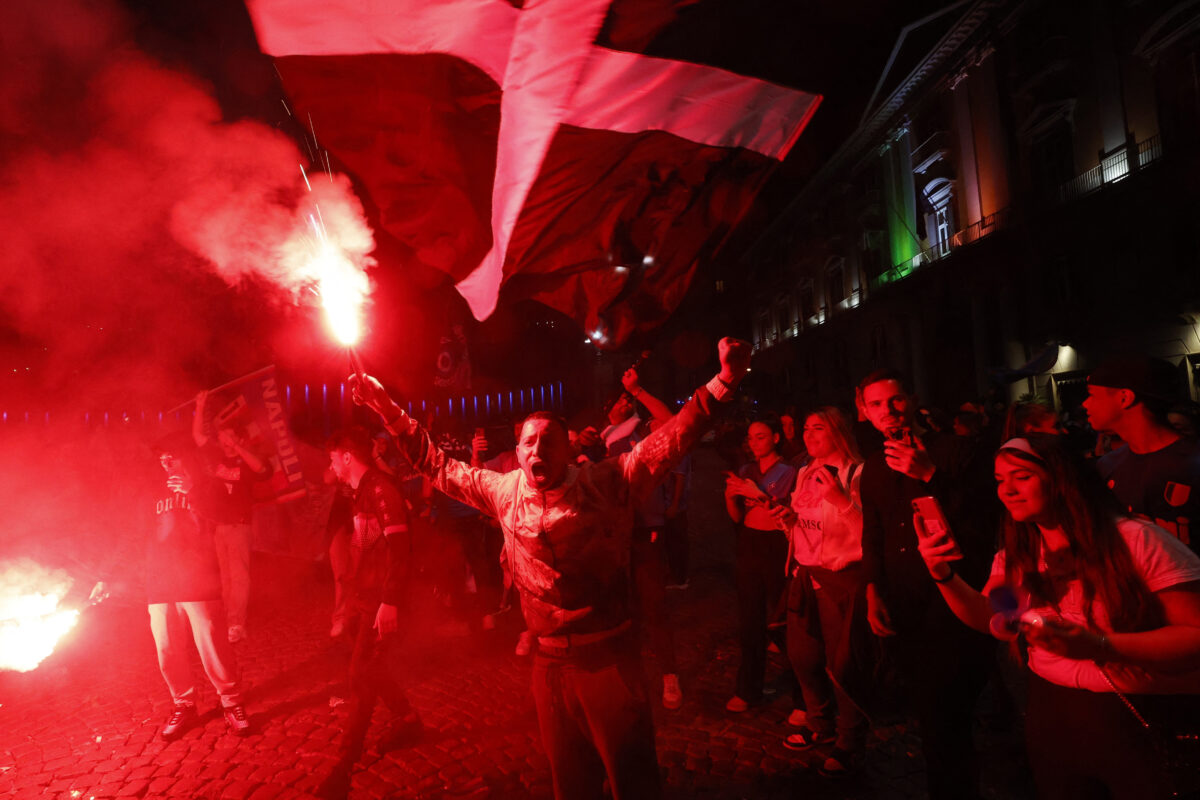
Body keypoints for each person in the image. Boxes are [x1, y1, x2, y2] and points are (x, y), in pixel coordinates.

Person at [350, 337, 752, 800]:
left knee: (632, 782)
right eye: (529, 441)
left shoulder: (609, 482)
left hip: (608, 663)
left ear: (567, 449)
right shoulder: (501, 490)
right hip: (548, 668)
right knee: (570, 784)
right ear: (518, 452)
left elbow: (674, 438)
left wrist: (724, 380)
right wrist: (385, 406)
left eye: (548, 440)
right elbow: (435, 464)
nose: (537, 448)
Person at [916, 434, 1200, 799]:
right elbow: (991, 616)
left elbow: (1194, 635)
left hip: (1140, 713)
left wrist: (1098, 645)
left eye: (1022, 476)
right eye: (1000, 480)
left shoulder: (1137, 541)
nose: (1008, 490)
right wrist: (942, 573)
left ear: (1062, 478)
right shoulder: (1020, 552)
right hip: (1053, 714)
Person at [856, 369, 994, 800]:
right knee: (929, 711)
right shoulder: (873, 468)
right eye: (876, 404)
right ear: (863, 413)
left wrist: (931, 474)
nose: (888, 411)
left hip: (953, 598)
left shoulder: (954, 450)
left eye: (895, 400)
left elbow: (983, 518)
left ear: (912, 401)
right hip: (905, 600)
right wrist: (872, 590)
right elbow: (873, 532)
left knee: (948, 714)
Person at [91, 434, 249, 740]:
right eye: (162, 458)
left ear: (186, 459)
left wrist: (193, 493)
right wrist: (106, 575)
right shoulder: (149, 492)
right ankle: (183, 704)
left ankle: (232, 702)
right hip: (160, 582)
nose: (166, 464)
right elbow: (133, 535)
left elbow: (226, 516)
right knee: (167, 651)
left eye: (172, 457)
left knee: (213, 647)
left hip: (200, 580)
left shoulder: (207, 485)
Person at [317, 427, 421, 800]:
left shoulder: (380, 489)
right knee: (373, 668)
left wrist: (390, 601)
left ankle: (342, 771)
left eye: (333, 459)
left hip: (381, 601)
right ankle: (409, 719)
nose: (331, 466)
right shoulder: (360, 492)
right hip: (366, 598)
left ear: (347, 456)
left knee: (360, 676)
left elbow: (401, 548)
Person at [771, 407, 870, 776]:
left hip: (840, 578)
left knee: (841, 663)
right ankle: (819, 723)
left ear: (839, 432)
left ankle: (849, 740)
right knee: (802, 656)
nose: (809, 436)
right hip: (805, 574)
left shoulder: (857, 473)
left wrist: (841, 498)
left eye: (819, 429)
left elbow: (868, 534)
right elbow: (807, 525)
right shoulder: (804, 472)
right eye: (807, 429)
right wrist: (789, 523)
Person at [1084, 356, 1200, 550]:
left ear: (1124, 398)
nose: (1085, 404)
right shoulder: (1107, 466)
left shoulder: (1193, 465)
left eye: (1092, 395)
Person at [723, 418, 798, 712]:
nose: (754, 443)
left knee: (784, 620)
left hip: (777, 546)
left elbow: (788, 516)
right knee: (749, 620)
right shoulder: (746, 471)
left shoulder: (791, 472)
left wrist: (759, 495)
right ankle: (748, 689)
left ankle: (803, 694)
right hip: (749, 543)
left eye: (761, 437)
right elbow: (738, 518)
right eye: (751, 438)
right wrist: (729, 497)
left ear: (776, 438)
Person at [192, 390, 271, 643]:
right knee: (226, 579)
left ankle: (236, 623)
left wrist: (237, 446)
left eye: (228, 435)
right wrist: (200, 405)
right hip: (221, 528)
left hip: (239, 526)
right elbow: (197, 436)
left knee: (239, 577)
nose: (222, 438)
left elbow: (263, 470)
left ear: (237, 437)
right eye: (222, 435)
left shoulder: (246, 462)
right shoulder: (216, 457)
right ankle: (231, 622)